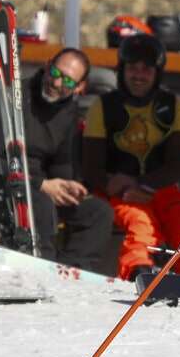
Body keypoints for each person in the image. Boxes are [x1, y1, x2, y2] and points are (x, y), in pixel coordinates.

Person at [81, 33, 180, 280]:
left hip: (161, 188)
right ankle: (139, 275)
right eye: (132, 68)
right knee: (141, 223)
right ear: (121, 70)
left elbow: (178, 164)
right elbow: (91, 166)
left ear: (157, 73)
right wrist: (112, 184)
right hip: (117, 191)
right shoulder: (103, 106)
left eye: (147, 69)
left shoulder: (171, 105)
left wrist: (144, 185)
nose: (139, 75)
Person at [25, 48, 114, 272]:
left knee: (98, 212)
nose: (56, 83)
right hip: (7, 183)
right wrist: (41, 184)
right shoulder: (17, 96)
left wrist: (67, 185)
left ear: (80, 87)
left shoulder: (68, 112)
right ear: (47, 65)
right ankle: (42, 268)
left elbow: (61, 164)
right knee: (43, 203)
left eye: (67, 80)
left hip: (41, 185)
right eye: (55, 72)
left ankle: (73, 271)